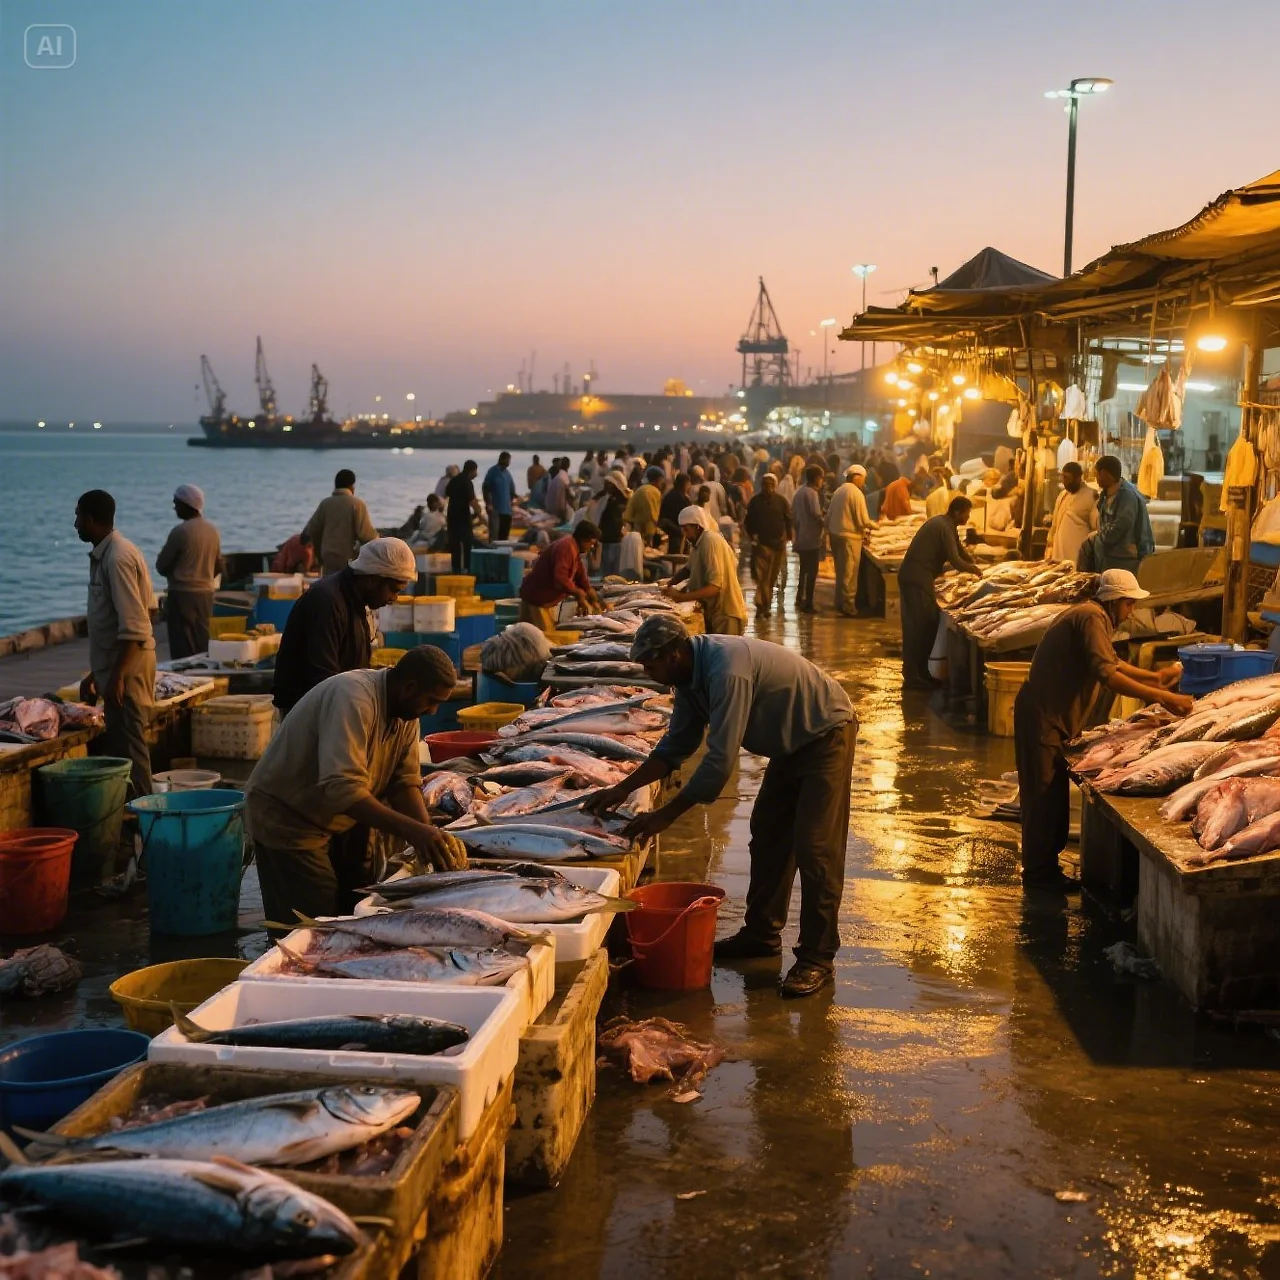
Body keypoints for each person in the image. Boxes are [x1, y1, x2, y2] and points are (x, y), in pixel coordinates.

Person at [586, 615, 857, 998]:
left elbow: (719, 761)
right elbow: (674, 747)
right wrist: (621, 789)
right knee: (768, 836)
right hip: (788, 745)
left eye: (651, 665)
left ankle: (817, 958)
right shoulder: (687, 680)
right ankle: (761, 936)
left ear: (674, 653)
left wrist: (665, 815)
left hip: (825, 733)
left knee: (816, 849)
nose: (648, 674)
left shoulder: (726, 671)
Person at [245, 647, 467, 926]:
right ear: (410, 687)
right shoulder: (353, 696)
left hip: (338, 817)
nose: (433, 710)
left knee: (354, 905)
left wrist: (427, 833)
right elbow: (342, 789)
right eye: (431, 701)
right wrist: (413, 831)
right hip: (288, 816)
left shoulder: (407, 713)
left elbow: (404, 782)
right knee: (314, 921)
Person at [1014, 570, 1192, 891]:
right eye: (1129, 605)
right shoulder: (1091, 617)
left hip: (1051, 718)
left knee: (1051, 796)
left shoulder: (1093, 617)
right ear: (1116, 601)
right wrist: (1164, 697)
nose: (1131, 612)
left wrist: (1156, 678)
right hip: (1042, 717)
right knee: (1041, 799)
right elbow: (1107, 674)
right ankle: (1039, 877)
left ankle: (1045, 870)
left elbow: (1114, 663)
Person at [273, 537, 418, 716]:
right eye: (393, 590)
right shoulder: (327, 602)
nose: (394, 599)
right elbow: (320, 677)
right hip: (307, 711)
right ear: (372, 579)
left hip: (336, 701)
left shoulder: (355, 600)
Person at [75, 489, 156, 797]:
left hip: (129, 671)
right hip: (117, 669)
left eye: (79, 516)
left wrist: (118, 676)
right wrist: (98, 673)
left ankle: (147, 823)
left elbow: (135, 627)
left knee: (132, 750)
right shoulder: (107, 554)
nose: (75, 524)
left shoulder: (118, 557)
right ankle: (134, 817)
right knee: (121, 748)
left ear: (93, 519)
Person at [898, 496, 980, 690]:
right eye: (967, 513)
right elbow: (955, 559)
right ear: (958, 512)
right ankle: (912, 675)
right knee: (919, 625)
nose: (968, 517)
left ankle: (922, 671)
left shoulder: (947, 525)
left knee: (930, 621)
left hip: (919, 577)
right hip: (916, 577)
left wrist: (976, 563)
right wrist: (975, 570)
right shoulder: (943, 526)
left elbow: (959, 551)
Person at [155, 483, 221, 659]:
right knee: (201, 642)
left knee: (182, 645)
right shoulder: (212, 531)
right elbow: (219, 565)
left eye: (176, 503)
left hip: (182, 595)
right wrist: (204, 576)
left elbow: (162, 565)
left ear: (187, 504)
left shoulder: (180, 532)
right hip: (206, 594)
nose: (174, 507)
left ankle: (186, 679)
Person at [665, 506, 747, 635]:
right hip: (713, 612)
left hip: (725, 613)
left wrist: (682, 597)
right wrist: (670, 584)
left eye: (686, 529)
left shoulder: (710, 541)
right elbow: (687, 569)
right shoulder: (697, 543)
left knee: (724, 653)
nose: (684, 534)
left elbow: (714, 587)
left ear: (697, 527)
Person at [518, 521, 603, 629]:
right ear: (583, 539)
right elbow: (560, 579)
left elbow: (581, 576)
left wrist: (591, 595)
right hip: (535, 599)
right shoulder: (566, 547)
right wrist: (578, 593)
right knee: (538, 639)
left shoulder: (574, 548)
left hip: (544, 602)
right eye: (590, 543)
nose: (590, 547)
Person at [1089, 454, 1155, 574]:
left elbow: (1117, 529)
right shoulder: (1107, 494)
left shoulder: (1127, 496)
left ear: (1104, 473)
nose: (1096, 478)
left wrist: (1098, 536)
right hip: (1111, 561)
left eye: (1097, 474)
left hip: (1125, 563)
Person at [304, 470, 378, 575]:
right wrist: (380, 541)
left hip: (327, 558)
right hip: (347, 559)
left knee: (329, 586)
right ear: (352, 486)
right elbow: (366, 535)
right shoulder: (357, 504)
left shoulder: (325, 504)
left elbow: (310, 531)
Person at [825, 465, 872, 618]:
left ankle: (839, 602)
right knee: (849, 573)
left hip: (836, 535)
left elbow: (829, 515)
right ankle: (848, 605)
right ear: (857, 477)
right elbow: (863, 521)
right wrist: (875, 526)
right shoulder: (856, 493)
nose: (863, 483)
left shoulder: (839, 491)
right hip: (850, 538)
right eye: (863, 480)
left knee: (840, 571)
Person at [744, 472, 792, 617]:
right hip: (761, 545)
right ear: (761, 485)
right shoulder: (755, 502)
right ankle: (761, 605)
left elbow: (788, 520)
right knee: (761, 577)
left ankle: (765, 604)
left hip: (778, 545)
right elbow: (748, 522)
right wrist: (753, 536)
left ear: (775, 486)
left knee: (771, 577)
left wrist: (788, 536)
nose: (768, 487)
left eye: (771, 484)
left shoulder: (782, 502)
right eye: (765, 484)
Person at [1048, 461, 1098, 563]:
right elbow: (1055, 524)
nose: (1064, 481)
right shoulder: (1062, 495)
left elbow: (1096, 529)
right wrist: (1050, 544)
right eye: (1063, 477)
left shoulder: (1091, 496)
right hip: (1058, 553)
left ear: (1078, 478)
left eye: (1068, 478)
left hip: (1077, 554)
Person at [792, 465, 825, 614]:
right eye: (821, 478)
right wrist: (826, 525)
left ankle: (800, 598)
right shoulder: (811, 493)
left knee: (803, 570)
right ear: (817, 478)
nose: (822, 482)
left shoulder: (799, 491)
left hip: (801, 537)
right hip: (811, 538)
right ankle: (808, 603)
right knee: (811, 572)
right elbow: (816, 515)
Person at [445, 460, 483, 573]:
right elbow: (472, 501)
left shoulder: (454, 479)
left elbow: (447, 493)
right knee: (467, 544)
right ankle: (467, 569)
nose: (476, 474)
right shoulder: (467, 482)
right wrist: (480, 515)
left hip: (452, 516)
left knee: (455, 545)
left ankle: (455, 569)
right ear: (472, 471)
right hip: (463, 517)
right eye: (476, 471)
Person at [595, 473, 630, 576]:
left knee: (611, 572)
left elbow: (616, 522)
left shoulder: (618, 502)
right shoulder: (611, 499)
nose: (606, 486)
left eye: (608, 484)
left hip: (612, 540)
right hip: (607, 539)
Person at [482, 452, 517, 542]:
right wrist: (488, 503)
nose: (509, 462)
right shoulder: (493, 471)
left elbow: (512, 490)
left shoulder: (507, 474)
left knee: (504, 537)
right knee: (495, 536)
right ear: (502, 459)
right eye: (508, 460)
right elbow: (486, 487)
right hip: (496, 509)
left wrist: (511, 502)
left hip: (507, 510)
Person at [624, 468, 665, 544]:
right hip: (649, 528)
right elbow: (653, 515)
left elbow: (629, 511)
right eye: (661, 481)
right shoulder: (656, 492)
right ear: (658, 480)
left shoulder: (639, 489)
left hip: (636, 527)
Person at [659, 472, 692, 554]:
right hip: (676, 529)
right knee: (677, 555)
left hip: (669, 527)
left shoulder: (670, 494)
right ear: (684, 483)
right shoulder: (680, 497)